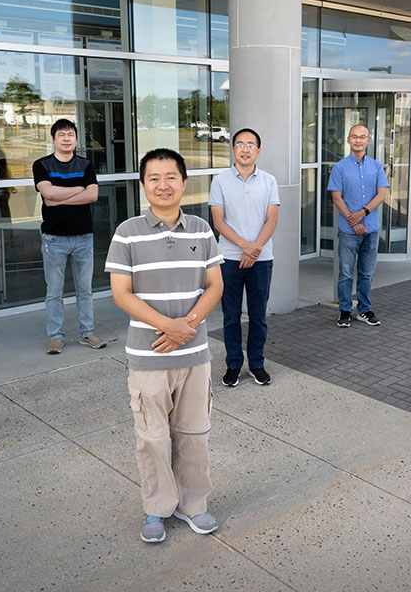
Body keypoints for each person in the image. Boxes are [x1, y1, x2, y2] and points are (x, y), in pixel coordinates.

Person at [106, 148, 224, 544]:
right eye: (154, 178)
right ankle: (157, 507)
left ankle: (194, 504)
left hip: (194, 353)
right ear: (143, 186)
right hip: (148, 354)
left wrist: (185, 327)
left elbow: (215, 285)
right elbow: (122, 293)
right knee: (152, 437)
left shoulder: (203, 230)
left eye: (171, 176)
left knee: (194, 432)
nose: (163, 185)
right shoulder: (126, 232)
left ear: (184, 182)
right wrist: (168, 327)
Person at [208, 127, 280, 387]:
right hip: (228, 258)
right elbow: (218, 220)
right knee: (231, 316)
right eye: (240, 144)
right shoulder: (220, 180)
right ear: (233, 148)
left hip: (261, 259)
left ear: (258, 150)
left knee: (259, 316)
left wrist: (254, 249)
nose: (245, 148)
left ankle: (257, 364)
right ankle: (234, 365)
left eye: (251, 144)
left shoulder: (269, 180)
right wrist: (244, 247)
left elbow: (272, 220)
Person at [33, 119, 106, 354]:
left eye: (71, 134)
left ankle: (88, 333)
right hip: (54, 238)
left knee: (85, 289)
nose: (67, 138)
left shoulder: (85, 165)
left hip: (84, 237)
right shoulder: (41, 164)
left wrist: (58, 198)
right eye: (62, 134)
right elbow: (47, 192)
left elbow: (92, 195)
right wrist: (79, 189)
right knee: (54, 291)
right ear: (53, 139)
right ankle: (55, 336)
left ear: (76, 139)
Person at [328, 124, 389, 328]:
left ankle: (364, 309)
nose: (358, 140)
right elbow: (337, 198)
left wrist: (362, 214)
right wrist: (353, 222)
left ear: (368, 140)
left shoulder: (376, 166)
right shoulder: (340, 168)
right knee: (345, 272)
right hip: (348, 231)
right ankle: (345, 311)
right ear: (348, 140)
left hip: (370, 229)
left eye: (362, 137)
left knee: (367, 273)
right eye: (354, 136)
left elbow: (382, 194)